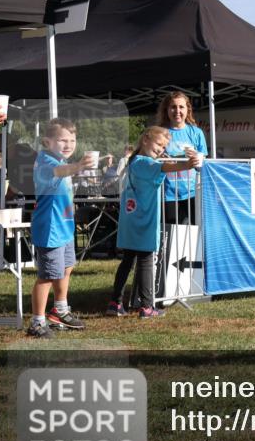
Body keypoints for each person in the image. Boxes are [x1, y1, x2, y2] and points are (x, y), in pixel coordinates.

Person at [109, 127, 200, 318]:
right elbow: (163, 167)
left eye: (164, 146)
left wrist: (181, 156)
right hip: (143, 221)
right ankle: (146, 307)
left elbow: (164, 162)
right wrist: (188, 165)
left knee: (128, 261)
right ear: (145, 140)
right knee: (145, 261)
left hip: (133, 221)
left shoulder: (136, 160)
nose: (161, 149)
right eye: (158, 144)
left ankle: (115, 303)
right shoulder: (144, 162)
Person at [27, 118, 94, 338]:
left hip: (63, 228)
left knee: (65, 268)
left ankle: (60, 310)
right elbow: (58, 173)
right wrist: (78, 166)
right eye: (62, 140)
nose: (68, 144)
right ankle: (37, 322)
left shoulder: (58, 160)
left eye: (72, 140)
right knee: (47, 275)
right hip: (50, 228)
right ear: (47, 142)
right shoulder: (45, 161)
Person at [156, 92, 208, 224]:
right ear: (166, 110)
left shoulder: (196, 133)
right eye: (173, 107)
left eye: (181, 107)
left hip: (192, 193)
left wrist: (198, 159)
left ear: (187, 109)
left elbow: (204, 165)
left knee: (193, 235)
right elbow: (152, 161)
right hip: (167, 195)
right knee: (171, 238)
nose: (177, 111)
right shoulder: (159, 133)